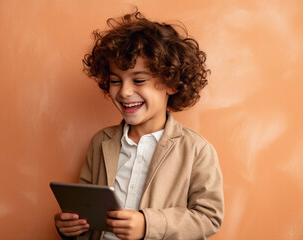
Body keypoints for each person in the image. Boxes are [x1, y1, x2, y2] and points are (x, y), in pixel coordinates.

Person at [54, 10, 224, 240]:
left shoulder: (197, 150)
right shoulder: (100, 142)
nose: (124, 92)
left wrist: (148, 224)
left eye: (139, 80)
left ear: (172, 83)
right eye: (115, 81)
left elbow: (208, 217)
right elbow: (84, 207)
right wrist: (71, 227)